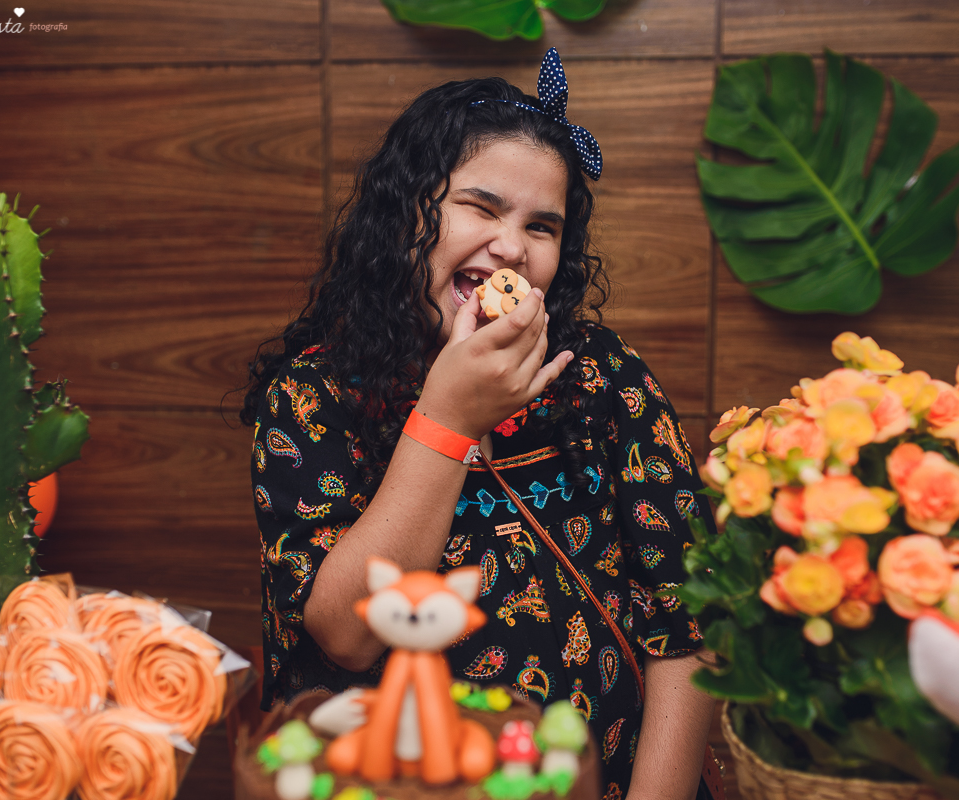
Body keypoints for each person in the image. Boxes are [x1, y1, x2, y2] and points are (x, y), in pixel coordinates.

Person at [242, 49, 717, 800]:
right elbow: (345, 635)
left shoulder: (604, 377)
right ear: (408, 216)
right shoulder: (314, 395)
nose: (512, 249)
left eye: (542, 226)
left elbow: (690, 625)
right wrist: (448, 418)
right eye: (482, 207)